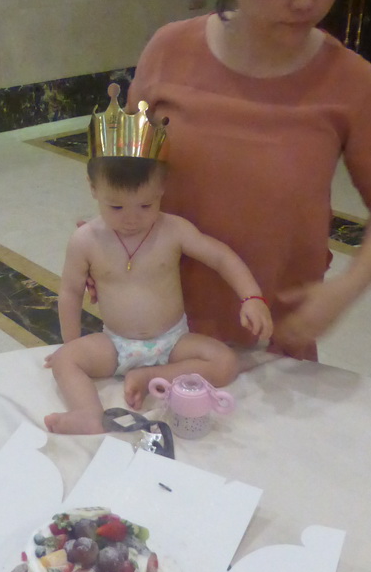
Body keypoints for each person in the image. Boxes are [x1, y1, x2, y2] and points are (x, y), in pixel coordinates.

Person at [125, 0, 371, 361]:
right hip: (157, 327)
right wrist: (105, 239)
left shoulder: (353, 83)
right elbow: (128, 162)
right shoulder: (169, 50)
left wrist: (345, 289)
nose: (308, 1)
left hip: (273, 341)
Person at [44, 155, 273, 435]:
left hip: (173, 341)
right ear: (93, 188)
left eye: (146, 205)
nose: (131, 219)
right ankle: (87, 413)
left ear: (162, 187)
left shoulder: (173, 229)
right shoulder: (86, 240)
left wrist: (251, 297)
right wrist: (70, 344)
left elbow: (220, 257)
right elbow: (70, 291)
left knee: (226, 362)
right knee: (65, 361)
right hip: (116, 344)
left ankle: (151, 376)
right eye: (116, 206)